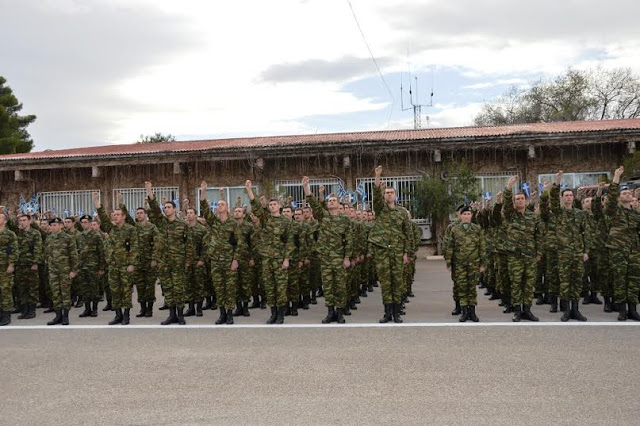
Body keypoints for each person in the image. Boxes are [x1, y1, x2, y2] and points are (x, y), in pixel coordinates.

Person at [301, 177, 352, 323]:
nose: (331, 202)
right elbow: (314, 204)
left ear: (338, 204)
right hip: (325, 258)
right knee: (328, 286)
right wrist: (306, 187)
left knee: (340, 285)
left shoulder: (345, 220)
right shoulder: (323, 217)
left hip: (339, 257)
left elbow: (349, 240)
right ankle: (330, 312)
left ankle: (340, 312)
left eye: (333, 201)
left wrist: (347, 257)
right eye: (329, 201)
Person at [247, 180, 293, 324]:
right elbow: (255, 205)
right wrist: (249, 189)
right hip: (267, 259)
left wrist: (287, 259)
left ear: (279, 206)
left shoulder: (286, 222)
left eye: (275, 204)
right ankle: (272, 313)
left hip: (279, 259)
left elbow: (290, 242)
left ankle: (281, 314)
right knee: (269, 286)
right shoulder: (265, 219)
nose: (272, 206)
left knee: (280, 287)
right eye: (270, 204)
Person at [367, 166, 410, 324]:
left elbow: (408, 234)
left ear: (396, 195)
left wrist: (406, 253)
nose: (389, 194)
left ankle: (397, 313)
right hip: (383, 252)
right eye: (387, 193)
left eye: (391, 192)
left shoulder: (401, 213)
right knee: (385, 283)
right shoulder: (380, 209)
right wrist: (377, 177)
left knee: (397, 282)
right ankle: (387, 313)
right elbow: (375, 196)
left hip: (397, 252)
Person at [199, 182, 244, 325]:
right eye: (218, 204)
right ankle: (222, 314)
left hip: (229, 260)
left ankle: (230, 314)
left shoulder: (233, 224)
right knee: (219, 288)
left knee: (230, 288)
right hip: (216, 261)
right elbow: (204, 208)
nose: (219, 206)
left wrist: (236, 260)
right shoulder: (214, 222)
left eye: (222, 204)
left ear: (227, 208)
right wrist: (204, 191)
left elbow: (240, 243)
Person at [145, 182, 188, 325]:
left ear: (175, 209)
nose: (166, 209)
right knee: (168, 289)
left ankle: (180, 315)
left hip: (178, 262)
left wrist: (187, 260)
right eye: (165, 207)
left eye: (169, 207)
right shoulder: (161, 222)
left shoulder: (182, 224)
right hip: (164, 262)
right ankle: (172, 314)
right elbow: (155, 208)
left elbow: (189, 244)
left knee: (178, 288)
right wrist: (150, 191)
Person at [94, 193, 138, 325]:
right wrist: (97, 203)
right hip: (112, 265)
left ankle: (126, 315)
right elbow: (103, 218)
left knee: (126, 290)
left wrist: (131, 264)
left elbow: (135, 247)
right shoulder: (111, 228)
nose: (115, 216)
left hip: (125, 265)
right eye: (114, 214)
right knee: (114, 290)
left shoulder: (130, 229)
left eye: (118, 214)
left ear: (124, 217)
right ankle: (117, 314)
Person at [503, 175, 541, 322]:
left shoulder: (533, 217)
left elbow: (539, 236)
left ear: (526, 201)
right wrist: (508, 187)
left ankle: (528, 310)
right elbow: (506, 203)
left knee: (529, 283)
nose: (519, 201)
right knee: (516, 283)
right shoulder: (510, 215)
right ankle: (517, 310)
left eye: (522, 198)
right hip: (515, 256)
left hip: (530, 256)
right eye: (517, 199)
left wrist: (539, 253)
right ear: (514, 202)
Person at [605, 167, 640, 321]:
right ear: (619, 197)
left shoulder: (635, 214)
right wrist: (616, 178)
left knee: (633, 280)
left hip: (634, 250)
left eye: (629, 193)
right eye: (624, 193)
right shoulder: (614, 211)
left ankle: (632, 309)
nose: (627, 194)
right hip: (618, 250)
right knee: (619, 279)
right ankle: (621, 310)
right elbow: (611, 197)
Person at [445, 206, 486, 322]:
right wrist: (448, 262)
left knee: (472, 288)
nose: (467, 216)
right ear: (461, 216)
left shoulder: (477, 229)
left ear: (471, 216)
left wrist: (483, 263)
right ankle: (464, 311)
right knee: (462, 287)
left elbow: (482, 246)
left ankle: (472, 312)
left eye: (469, 214)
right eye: (465, 214)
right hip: (459, 264)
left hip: (473, 263)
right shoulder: (455, 229)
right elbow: (450, 247)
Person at [44, 217, 77, 326]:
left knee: (65, 294)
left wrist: (73, 270)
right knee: (55, 293)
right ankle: (58, 316)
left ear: (61, 226)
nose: (52, 227)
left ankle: (66, 316)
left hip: (65, 271)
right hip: (53, 271)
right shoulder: (49, 239)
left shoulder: (68, 238)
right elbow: (47, 254)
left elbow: (73, 255)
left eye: (55, 225)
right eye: (51, 225)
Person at [76, 214, 105, 318]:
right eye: (82, 223)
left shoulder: (96, 235)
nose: (84, 224)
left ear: (90, 223)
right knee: (84, 289)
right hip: (82, 266)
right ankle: (87, 309)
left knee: (94, 288)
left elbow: (101, 252)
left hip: (93, 266)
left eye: (86, 222)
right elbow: (77, 252)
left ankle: (95, 309)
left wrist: (101, 268)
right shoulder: (79, 236)